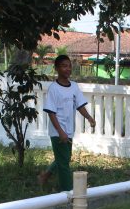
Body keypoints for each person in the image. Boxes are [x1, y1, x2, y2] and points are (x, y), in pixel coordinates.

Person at [38, 55, 96, 191]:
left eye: (69, 66)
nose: (68, 69)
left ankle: (44, 176)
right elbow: (51, 112)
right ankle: (67, 192)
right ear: (56, 68)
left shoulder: (74, 87)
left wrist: (89, 117)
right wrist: (60, 132)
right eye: (64, 66)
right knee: (64, 164)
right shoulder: (53, 88)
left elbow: (80, 105)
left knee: (64, 158)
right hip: (57, 131)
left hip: (69, 130)